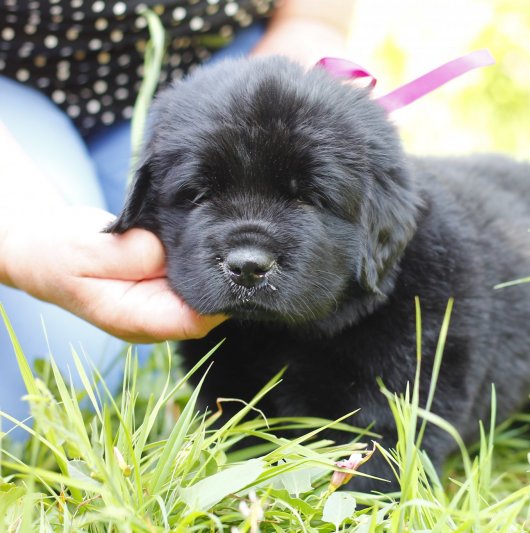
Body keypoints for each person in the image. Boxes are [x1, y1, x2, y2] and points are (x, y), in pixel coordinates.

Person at [0, 0, 355, 434]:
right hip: (14, 79)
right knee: (53, 388)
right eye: (203, 193)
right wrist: (18, 233)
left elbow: (313, 18)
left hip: (219, 58)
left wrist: (305, 48)